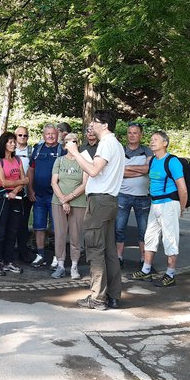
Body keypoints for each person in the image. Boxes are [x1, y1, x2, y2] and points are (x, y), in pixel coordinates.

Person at [65, 110, 125, 311]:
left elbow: (93, 170)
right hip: (110, 202)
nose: (91, 125)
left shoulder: (106, 144)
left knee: (95, 250)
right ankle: (113, 296)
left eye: (95, 122)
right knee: (109, 251)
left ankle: (98, 298)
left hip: (99, 202)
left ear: (105, 125)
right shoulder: (116, 145)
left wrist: (74, 153)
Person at [139, 130, 188, 288]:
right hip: (155, 204)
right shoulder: (153, 161)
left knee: (170, 238)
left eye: (155, 140)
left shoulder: (172, 161)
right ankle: (146, 270)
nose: (151, 142)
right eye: (151, 139)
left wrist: (181, 208)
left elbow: (183, 188)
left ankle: (170, 274)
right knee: (150, 236)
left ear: (165, 143)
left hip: (169, 204)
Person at [0, 131, 29, 276]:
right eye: (10, 142)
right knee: (1, 230)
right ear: (3, 144)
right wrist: (20, 183)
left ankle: (8, 260)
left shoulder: (17, 160)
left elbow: (25, 180)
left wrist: (15, 190)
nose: (14, 144)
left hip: (15, 197)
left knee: (13, 230)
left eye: (14, 142)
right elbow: (3, 182)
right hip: (1, 198)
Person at [51, 132, 88, 280]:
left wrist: (70, 198)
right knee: (59, 233)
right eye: (67, 141)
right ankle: (60, 265)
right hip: (58, 202)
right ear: (64, 145)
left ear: (77, 144)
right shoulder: (59, 161)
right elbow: (54, 182)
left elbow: (85, 184)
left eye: (73, 141)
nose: (70, 144)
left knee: (75, 234)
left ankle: (74, 266)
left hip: (78, 203)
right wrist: (63, 200)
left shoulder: (83, 161)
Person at [118, 122, 153, 274]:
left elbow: (149, 169)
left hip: (143, 197)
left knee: (144, 230)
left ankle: (143, 260)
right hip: (123, 195)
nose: (132, 135)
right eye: (130, 133)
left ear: (141, 135)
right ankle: (118, 258)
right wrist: (141, 171)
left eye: (135, 133)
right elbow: (118, 172)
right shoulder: (121, 150)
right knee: (119, 228)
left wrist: (128, 168)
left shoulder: (147, 150)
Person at [27, 124, 64, 268]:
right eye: (47, 134)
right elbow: (31, 170)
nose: (50, 136)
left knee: (57, 228)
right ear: (43, 135)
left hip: (55, 196)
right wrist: (30, 189)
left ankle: (57, 256)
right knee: (39, 226)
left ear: (57, 135)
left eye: (53, 134)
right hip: (39, 196)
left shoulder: (62, 150)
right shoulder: (38, 149)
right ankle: (40, 254)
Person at [13, 125, 34, 262]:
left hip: (27, 191)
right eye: (19, 135)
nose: (22, 137)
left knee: (23, 223)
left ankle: (22, 251)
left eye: (25, 135)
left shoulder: (32, 151)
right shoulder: (10, 149)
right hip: (12, 190)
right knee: (11, 223)